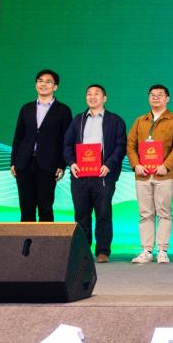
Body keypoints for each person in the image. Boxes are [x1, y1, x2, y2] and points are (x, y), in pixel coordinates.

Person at [63, 83, 127, 263]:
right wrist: (72, 163)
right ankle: (82, 252)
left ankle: (102, 251)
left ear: (104, 98)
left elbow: (121, 146)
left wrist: (109, 164)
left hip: (103, 175)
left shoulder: (115, 120)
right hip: (80, 175)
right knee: (81, 215)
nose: (92, 97)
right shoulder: (78, 120)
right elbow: (67, 144)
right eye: (89, 94)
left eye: (96, 94)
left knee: (103, 214)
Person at [126, 84, 173, 264]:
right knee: (145, 213)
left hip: (165, 175)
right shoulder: (140, 121)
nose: (156, 98)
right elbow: (130, 145)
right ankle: (146, 250)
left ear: (167, 99)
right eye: (152, 95)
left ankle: (162, 250)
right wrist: (136, 165)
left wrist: (166, 166)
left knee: (164, 212)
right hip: (143, 175)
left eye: (160, 95)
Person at [9, 69, 72, 222]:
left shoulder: (63, 110)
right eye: (40, 81)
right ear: (36, 84)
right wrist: (13, 162)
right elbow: (18, 137)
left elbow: (66, 141)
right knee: (26, 209)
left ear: (55, 87)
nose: (43, 84)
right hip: (24, 164)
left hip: (48, 165)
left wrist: (62, 165)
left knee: (45, 209)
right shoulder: (26, 108)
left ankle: (46, 239)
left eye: (48, 82)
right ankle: (26, 239)